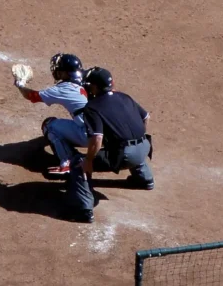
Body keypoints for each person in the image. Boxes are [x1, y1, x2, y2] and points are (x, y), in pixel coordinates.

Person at [63, 67, 154, 223]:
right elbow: (146, 117)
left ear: (96, 87)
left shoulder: (92, 107)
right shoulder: (125, 97)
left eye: (89, 84)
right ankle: (145, 180)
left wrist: (89, 161)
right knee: (126, 145)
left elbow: (96, 139)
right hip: (145, 146)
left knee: (78, 163)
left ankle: (83, 210)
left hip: (126, 155)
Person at [14, 53, 89, 175]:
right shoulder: (91, 80)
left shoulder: (64, 88)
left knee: (49, 125)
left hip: (89, 136)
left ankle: (68, 162)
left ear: (65, 72)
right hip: (110, 132)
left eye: (59, 69)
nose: (56, 71)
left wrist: (20, 84)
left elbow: (32, 96)